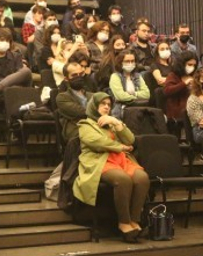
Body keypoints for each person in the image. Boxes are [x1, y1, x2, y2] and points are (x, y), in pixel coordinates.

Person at [74, 92, 149, 243]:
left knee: (142, 178)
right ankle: (124, 222)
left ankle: (134, 220)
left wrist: (116, 122)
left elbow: (130, 140)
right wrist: (120, 147)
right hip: (99, 160)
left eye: (109, 104)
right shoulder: (85, 124)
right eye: (103, 104)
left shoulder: (112, 124)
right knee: (123, 179)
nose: (107, 107)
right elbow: (97, 142)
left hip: (120, 160)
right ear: (94, 106)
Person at [0, 28, 33, 102]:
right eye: (2, 40)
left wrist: (9, 83)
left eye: (7, 41)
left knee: (26, 71)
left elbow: (19, 76)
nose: (5, 43)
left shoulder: (16, 56)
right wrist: (9, 84)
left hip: (14, 90)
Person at [162, 51, 198, 137]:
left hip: (194, 105)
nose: (192, 67)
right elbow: (167, 91)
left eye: (194, 65)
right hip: (177, 108)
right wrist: (184, 84)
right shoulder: (173, 76)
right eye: (189, 64)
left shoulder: (195, 76)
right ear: (182, 64)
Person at [108, 50, 150, 118]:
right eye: (127, 61)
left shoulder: (138, 76)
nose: (130, 63)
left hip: (139, 107)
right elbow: (120, 96)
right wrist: (137, 97)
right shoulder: (115, 76)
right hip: (121, 109)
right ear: (120, 62)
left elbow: (147, 94)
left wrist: (133, 93)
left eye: (132, 61)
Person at [56, 61, 91, 141]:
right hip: (76, 130)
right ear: (66, 79)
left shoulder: (91, 95)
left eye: (80, 74)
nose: (78, 77)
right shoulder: (62, 97)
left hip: (94, 128)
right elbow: (81, 112)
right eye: (74, 75)